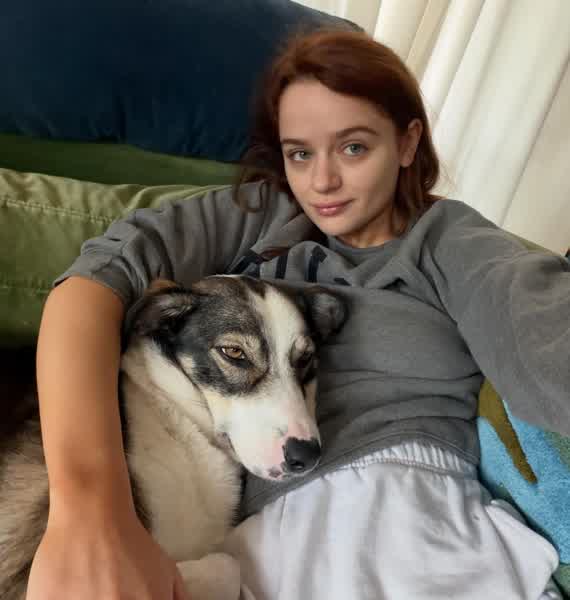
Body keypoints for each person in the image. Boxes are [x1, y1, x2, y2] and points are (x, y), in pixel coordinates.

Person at [27, 29, 569, 600]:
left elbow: (538, 328)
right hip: (269, 538)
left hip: (427, 521)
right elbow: (97, 282)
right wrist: (88, 512)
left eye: (353, 148)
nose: (322, 181)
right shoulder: (262, 214)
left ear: (408, 143)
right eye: (300, 153)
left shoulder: (449, 240)